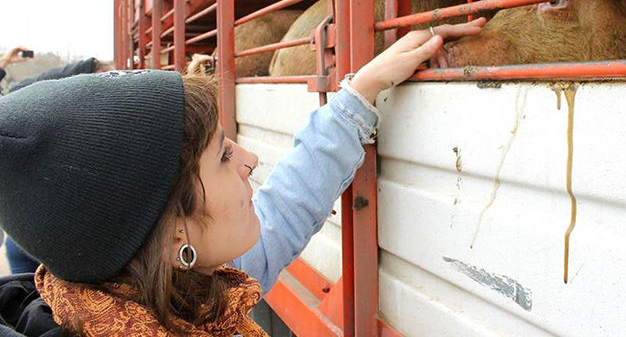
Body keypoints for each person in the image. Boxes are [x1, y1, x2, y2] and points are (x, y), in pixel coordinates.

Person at [0, 18, 486, 336]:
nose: (250, 158)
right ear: (174, 230)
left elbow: (283, 213)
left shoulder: (173, 292)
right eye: (222, 155)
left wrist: (360, 93)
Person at [1, 56, 111, 275]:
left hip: (22, 232)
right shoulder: (88, 126)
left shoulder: (28, 106)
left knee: (24, 299)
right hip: (63, 242)